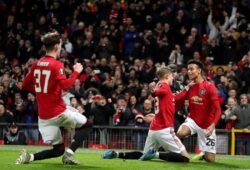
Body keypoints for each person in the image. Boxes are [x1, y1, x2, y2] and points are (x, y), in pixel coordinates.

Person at [16, 32, 91, 165]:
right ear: (57, 46)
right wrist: (76, 72)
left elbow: (25, 85)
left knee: (58, 149)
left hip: (44, 118)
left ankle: (29, 157)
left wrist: (42, 93)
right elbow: (66, 86)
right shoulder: (56, 64)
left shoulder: (36, 64)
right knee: (87, 124)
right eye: (61, 46)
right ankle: (70, 154)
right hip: (58, 112)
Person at [102, 66, 192, 163]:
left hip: (154, 129)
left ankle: (116, 154)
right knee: (185, 158)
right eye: (171, 77)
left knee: (144, 154)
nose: (172, 79)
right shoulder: (164, 85)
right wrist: (153, 92)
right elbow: (159, 91)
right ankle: (155, 154)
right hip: (165, 128)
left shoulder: (161, 86)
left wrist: (188, 87)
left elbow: (175, 97)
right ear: (166, 76)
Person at [176, 59, 221, 162]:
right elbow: (177, 99)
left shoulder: (210, 87)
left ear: (199, 70)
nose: (189, 72)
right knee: (181, 133)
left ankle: (203, 155)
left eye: (192, 69)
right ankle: (176, 153)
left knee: (210, 160)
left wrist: (213, 125)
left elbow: (218, 109)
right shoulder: (189, 86)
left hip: (207, 125)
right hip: (192, 120)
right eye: (188, 69)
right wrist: (186, 88)